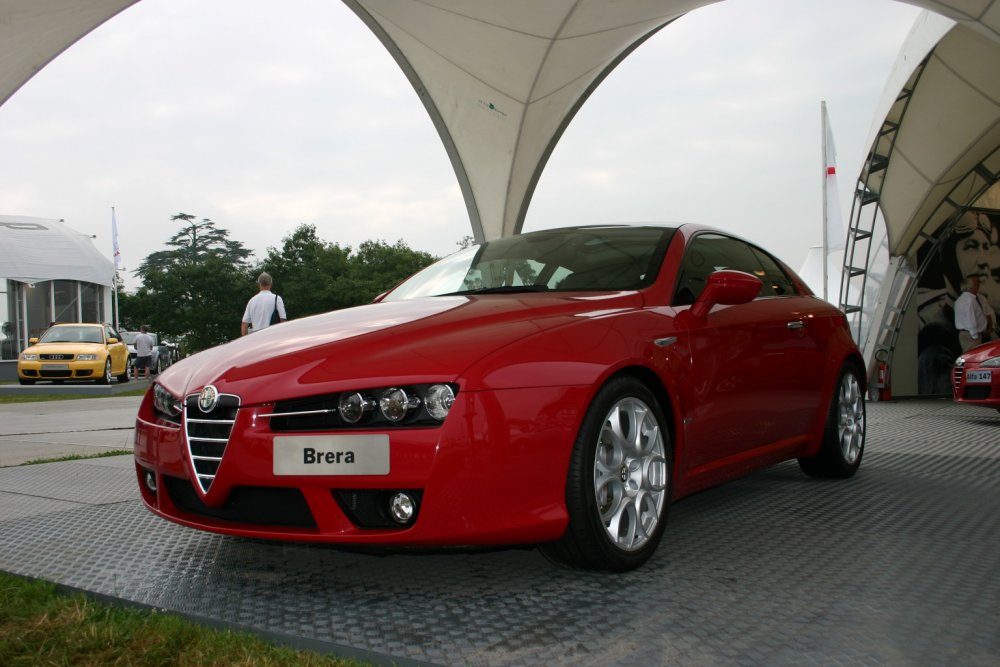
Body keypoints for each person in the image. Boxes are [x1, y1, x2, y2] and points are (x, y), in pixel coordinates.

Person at [241, 272, 286, 336]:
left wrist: (244, 342)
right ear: (271, 284)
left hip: (257, 338)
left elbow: (244, 324)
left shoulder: (252, 301)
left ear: (258, 284)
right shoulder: (277, 299)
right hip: (273, 337)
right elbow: (283, 320)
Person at [954, 275, 990, 352]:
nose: (978, 286)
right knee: (974, 359)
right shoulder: (969, 300)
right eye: (976, 285)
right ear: (970, 288)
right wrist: (975, 336)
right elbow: (970, 319)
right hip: (971, 336)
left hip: (967, 334)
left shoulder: (959, 300)